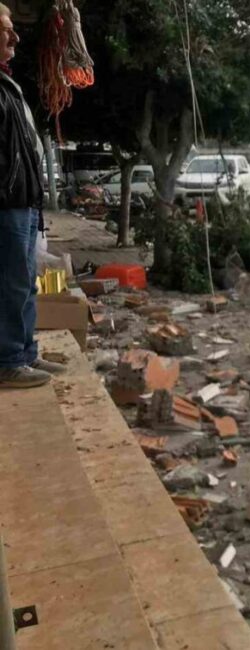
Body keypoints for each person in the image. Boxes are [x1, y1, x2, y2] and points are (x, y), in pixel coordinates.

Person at [0, 3, 64, 388]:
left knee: (24, 282)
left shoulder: (7, 84)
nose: (15, 36)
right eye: (5, 28)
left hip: (22, 202)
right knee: (10, 282)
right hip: (5, 204)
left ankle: (24, 353)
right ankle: (8, 360)